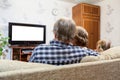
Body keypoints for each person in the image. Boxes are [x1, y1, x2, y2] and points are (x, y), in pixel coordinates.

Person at [29, 18, 99, 65]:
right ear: (73, 35)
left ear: (55, 33)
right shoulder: (81, 52)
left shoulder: (38, 50)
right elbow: (100, 55)